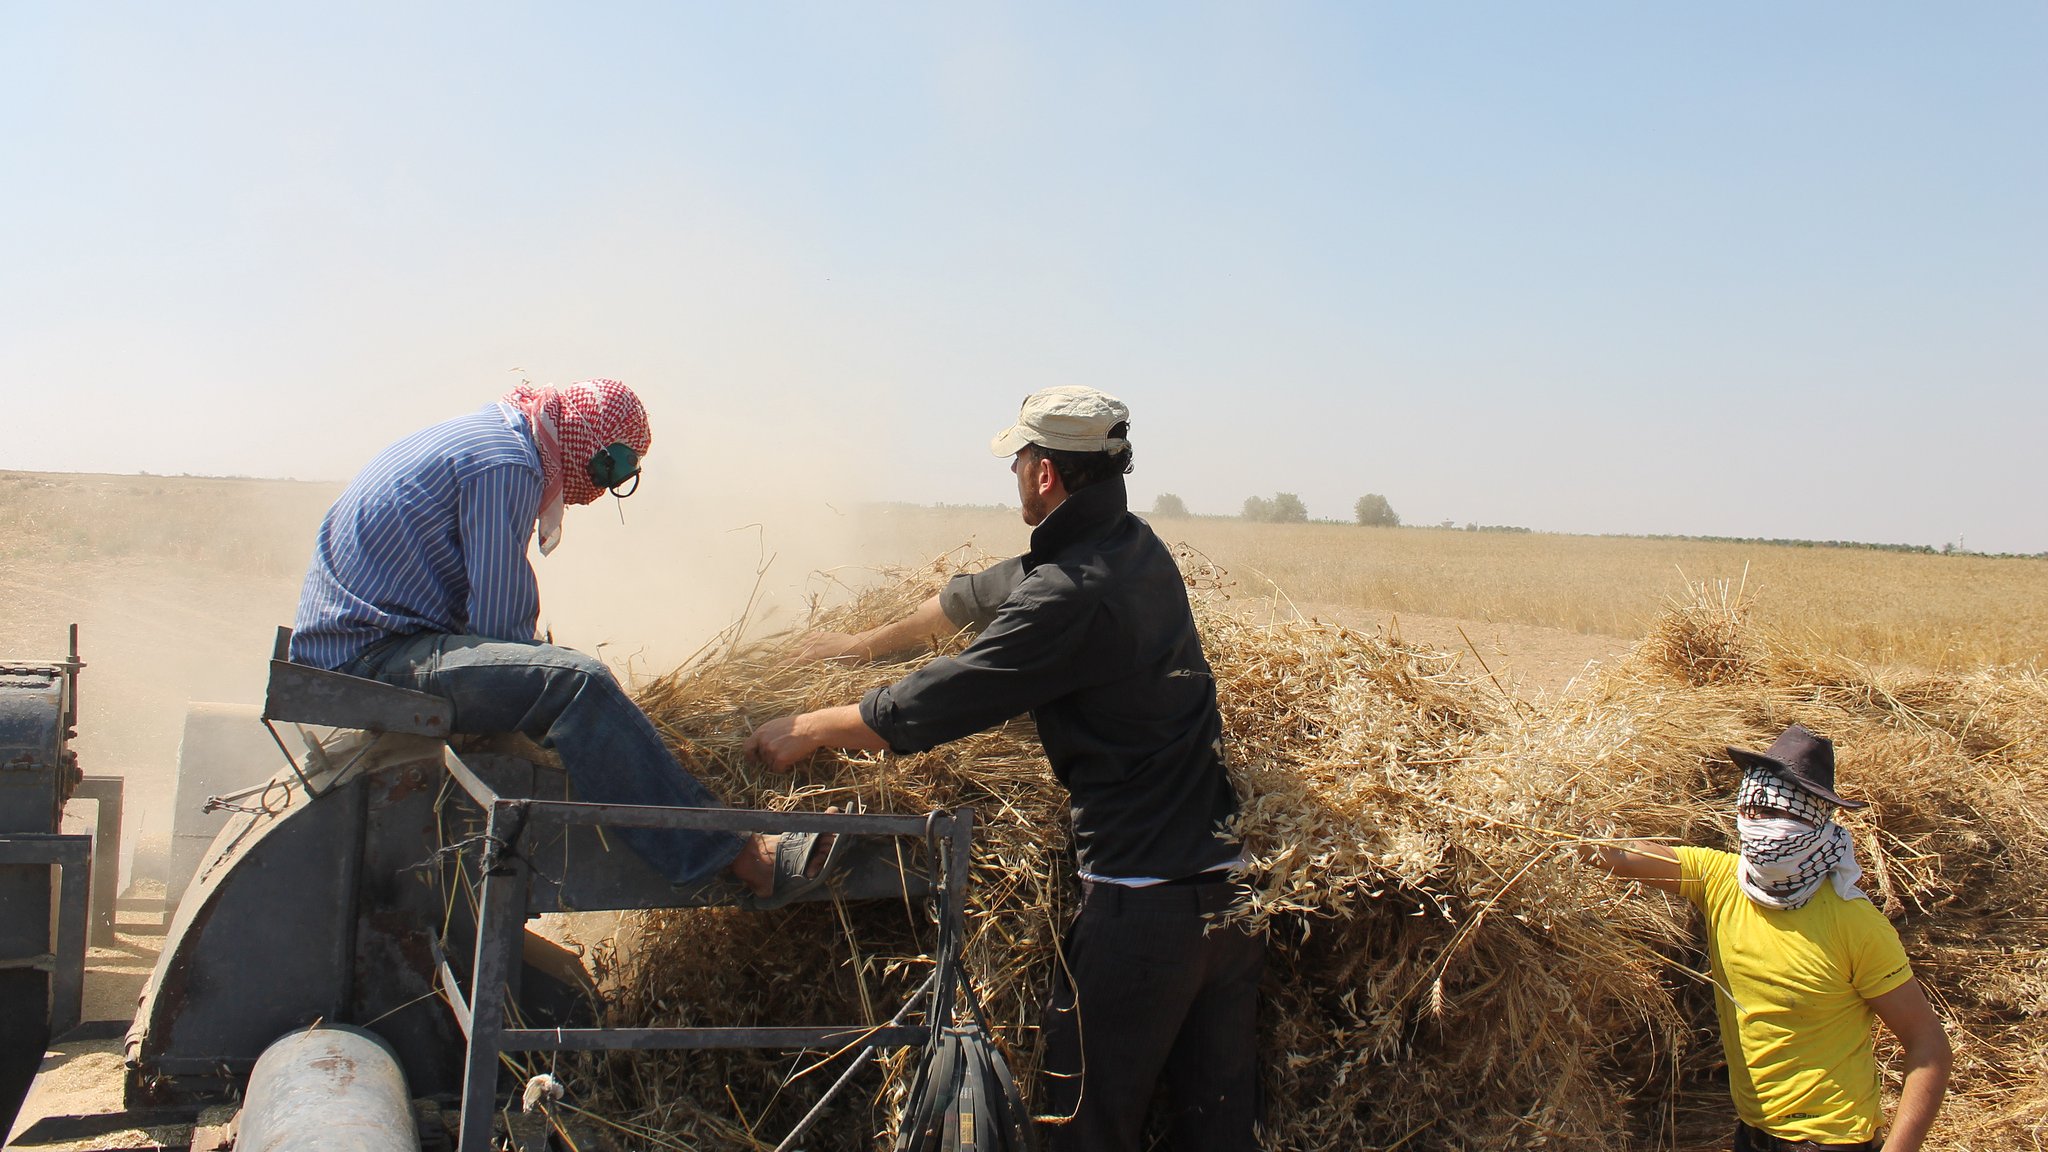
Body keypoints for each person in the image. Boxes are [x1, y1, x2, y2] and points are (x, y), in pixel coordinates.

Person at [743, 386, 1263, 1152]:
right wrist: (857, 645)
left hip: (1142, 912)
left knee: (1085, 1133)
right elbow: (973, 597)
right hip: (1229, 899)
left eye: (1019, 460)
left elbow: (942, 699)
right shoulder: (1130, 548)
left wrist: (812, 727)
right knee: (1217, 1137)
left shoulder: (1069, 595)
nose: (1014, 472)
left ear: (1045, 474)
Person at [290, 379, 838, 906]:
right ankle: (741, 857)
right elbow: (500, 628)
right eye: (612, 464)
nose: (605, 486)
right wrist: (556, 692)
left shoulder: (502, 437)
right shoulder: (507, 464)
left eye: (624, 473)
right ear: (583, 437)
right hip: (373, 655)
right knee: (579, 684)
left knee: (559, 675)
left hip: (366, 641)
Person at [1587, 724, 1950, 1152]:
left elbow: (1928, 1044)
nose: (1760, 826)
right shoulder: (1720, 880)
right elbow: (1606, 854)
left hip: (1829, 1140)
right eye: (1752, 811)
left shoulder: (1855, 924)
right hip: (1753, 1131)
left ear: (1815, 820)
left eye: (1778, 814)